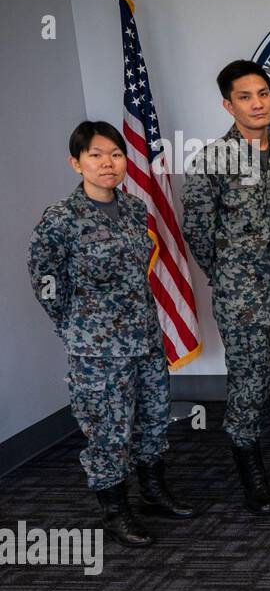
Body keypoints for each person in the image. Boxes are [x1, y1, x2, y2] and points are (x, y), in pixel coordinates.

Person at [29, 121, 194, 547]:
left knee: (154, 420)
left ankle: (154, 492)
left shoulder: (134, 209)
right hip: (97, 349)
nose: (108, 163)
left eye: (116, 155)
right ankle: (116, 511)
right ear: (76, 162)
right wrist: (75, 326)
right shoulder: (60, 219)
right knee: (108, 431)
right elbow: (46, 282)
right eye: (96, 155)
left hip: (144, 337)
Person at [182, 60, 270, 517]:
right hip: (243, 299)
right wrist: (229, 273)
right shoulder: (211, 160)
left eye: (263, 93)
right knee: (250, 384)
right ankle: (252, 472)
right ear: (227, 103)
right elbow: (197, 229)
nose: (257, 103)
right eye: (245, 96)